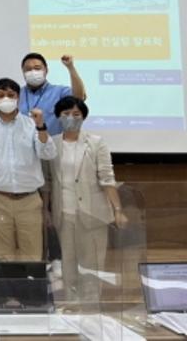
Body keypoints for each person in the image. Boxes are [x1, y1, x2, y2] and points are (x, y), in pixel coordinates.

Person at [44, 96, 128, 301]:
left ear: (83, 117)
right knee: (68, 262)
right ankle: (72, 304)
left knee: (92, 263)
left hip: (93, 213)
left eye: (76, 114)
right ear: (58, 117)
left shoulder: (96, 142)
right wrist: (45, 210)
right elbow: (47, 181)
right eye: (66, 114)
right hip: (64, 213)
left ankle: (91, 306)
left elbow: (107, 178)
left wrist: (118, 210)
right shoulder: (52, 144)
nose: (71, 118)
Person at [0, 78, 57, 261]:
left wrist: (41, 127)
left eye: (11, 95)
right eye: (0, 95)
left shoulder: (32, 124)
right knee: (3, 254)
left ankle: (29, 281)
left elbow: (48, 153)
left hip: (29, 199)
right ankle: (7, 282)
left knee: (32, 254)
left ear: (18, 97)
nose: (6, 99)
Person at [19, 53, 85, 136]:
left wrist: (70, 67)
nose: (33, 72)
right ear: (23, 72)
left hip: (52, 142)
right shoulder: (17, 94)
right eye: (28, 69)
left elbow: (79, 97)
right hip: (23, 143)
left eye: (37, 68)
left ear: (46, 70)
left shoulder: (59, 92)